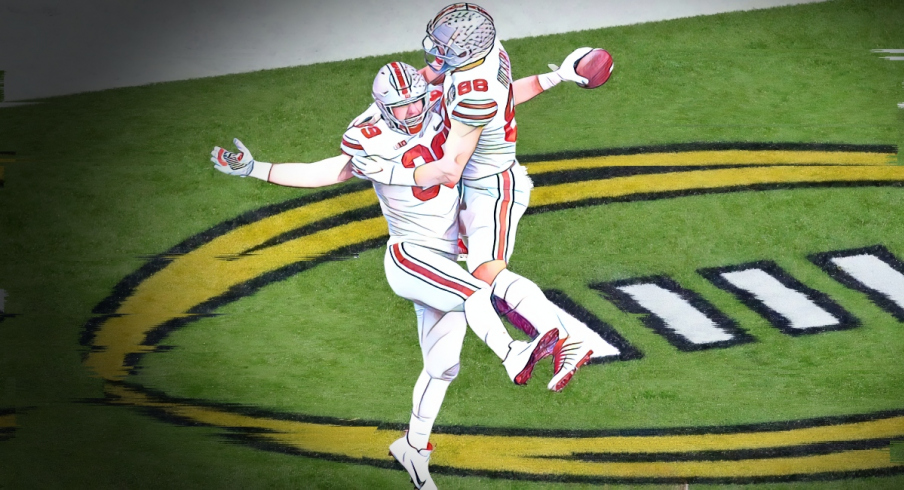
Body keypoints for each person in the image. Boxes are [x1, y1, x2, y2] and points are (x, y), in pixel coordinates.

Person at [212, 61, 567, 490]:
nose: (412, 111)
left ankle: (412, 448)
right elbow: (336, 171)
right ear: (382, 107)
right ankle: (513, 354)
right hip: (409, 255)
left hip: (443, 260)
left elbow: (498, 101)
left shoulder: (438, 100)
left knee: (443, 366)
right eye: (401, 107)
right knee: (477, 292)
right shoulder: (366, 137)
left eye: (417, 100)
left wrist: (556, 77)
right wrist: (257, 168)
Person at [351, 3, 606, 394]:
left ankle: (567, 338)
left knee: (485, 275)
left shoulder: (473, 93)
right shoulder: (487, 54)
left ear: (466, 48)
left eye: (446, 43)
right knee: (480, 280)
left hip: (490, 185)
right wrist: (556, 77)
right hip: (478, 184)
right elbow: (499, 98)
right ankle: (558, 337)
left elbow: (450, 169)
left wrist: (388, 166)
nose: (437, 49)